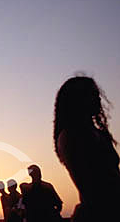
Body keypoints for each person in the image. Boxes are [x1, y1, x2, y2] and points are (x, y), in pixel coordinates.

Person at [54, 76, 120, 221]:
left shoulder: (98, 134)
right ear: (78, 100)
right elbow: (94, 186)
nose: (98, 99)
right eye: (92, 95)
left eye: (97, 95)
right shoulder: (70, 136)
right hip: (100, 213)